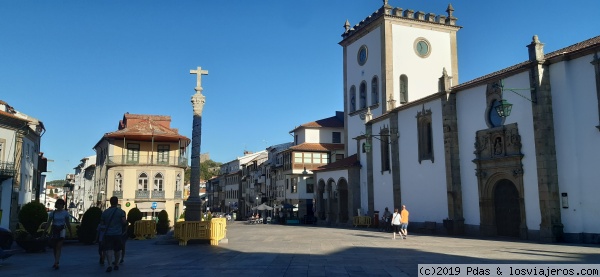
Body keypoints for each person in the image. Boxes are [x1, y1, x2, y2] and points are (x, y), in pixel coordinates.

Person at [44, 199, 72, 270]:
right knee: (54, 247)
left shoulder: (65, 213)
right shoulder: (52, 213)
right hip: (54, 229)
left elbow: (67, 223)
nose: (59, 205)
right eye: (58, 204)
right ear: (56, 205)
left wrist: (70, 231)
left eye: (61, 204)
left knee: (59, 246)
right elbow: (48, 223)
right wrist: (45, 231)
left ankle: (56, 263)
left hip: (62, 229)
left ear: (63, 205)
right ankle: (56, 260)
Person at [100, 196, 127, 272]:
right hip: (118, 233)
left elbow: (102, 223)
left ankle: (109, 265)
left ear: (110, 202)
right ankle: (116, 264)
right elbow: (124, 221)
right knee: (117, 250)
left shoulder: (105, 212)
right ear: (117, 202)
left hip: (108, 234)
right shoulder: (120, 212)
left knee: (109, 249)